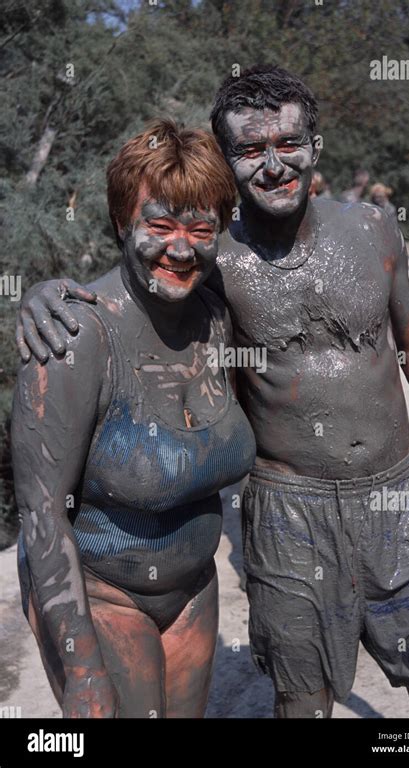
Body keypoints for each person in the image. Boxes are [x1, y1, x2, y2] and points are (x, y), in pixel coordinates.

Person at [16, 66, 409, 719]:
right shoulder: (213, 262)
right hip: (289, 513)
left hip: (400, 498)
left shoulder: (374, 230)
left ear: (315, 145)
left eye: (288, 142)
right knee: (302, 701)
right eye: (250, 150)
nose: (274, 164)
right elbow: (135, 288)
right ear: (229, 161)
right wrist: (43, 295)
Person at [11, 119, 256, 718]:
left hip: (194, 589)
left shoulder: (219, 315)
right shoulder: (75, 338)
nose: (180, 247)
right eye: (159, 225)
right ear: (122, 223)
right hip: (101, 596)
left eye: (200, 229)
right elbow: (42, 515)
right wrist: (83, 666)